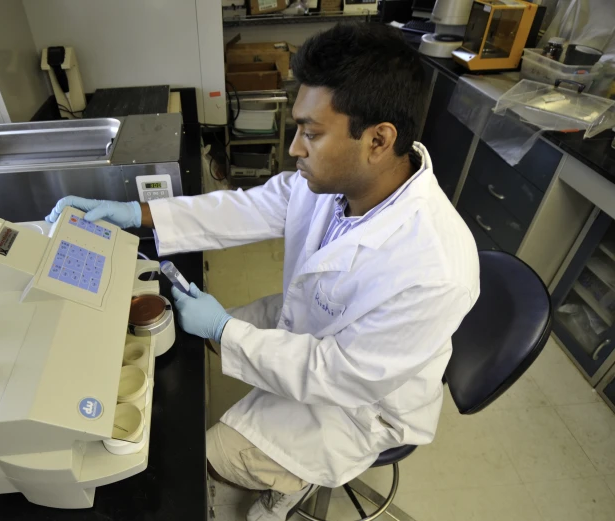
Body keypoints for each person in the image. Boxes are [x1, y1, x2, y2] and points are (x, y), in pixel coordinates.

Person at [46, 22, 479, 521]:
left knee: (194, 461)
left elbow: (339, 377)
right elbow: (248, 208)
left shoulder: (435, 267)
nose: (295, 148)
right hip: (311, 332)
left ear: (378, 140)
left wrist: (227, 331)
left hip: (361, 407)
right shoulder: (342, 183)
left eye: (311, 134)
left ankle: (289, 486)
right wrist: (137, 215)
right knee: (201, 338)